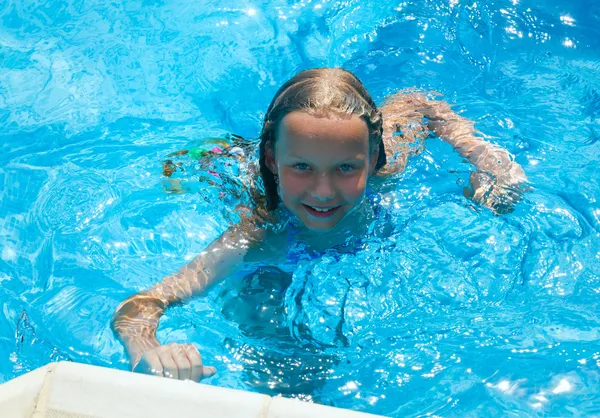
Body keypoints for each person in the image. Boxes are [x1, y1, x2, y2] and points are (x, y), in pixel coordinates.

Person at [112, 67, 527, 383]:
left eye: (347, 167)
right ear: (274, 162)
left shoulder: (391, 158)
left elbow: (418, 103)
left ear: (374, 157)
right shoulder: (258, 236)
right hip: (238, 184)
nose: (324, 191)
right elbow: (142, 306)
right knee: (278, 350)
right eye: (302, 168)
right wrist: (147, 348)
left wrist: (486, 159)